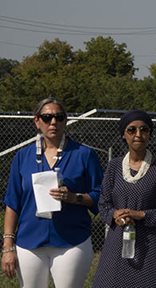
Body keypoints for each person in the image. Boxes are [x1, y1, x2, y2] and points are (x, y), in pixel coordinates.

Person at [1, 97, 103, 287]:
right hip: (29, 242)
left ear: (66, 120)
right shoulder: (22, 157)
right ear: (37, 121)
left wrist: (75, 197)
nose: (53, 122)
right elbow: (12, 202)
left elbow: (101, 196)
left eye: (59, 117)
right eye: (47, 117)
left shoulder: (84, 154)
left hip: (72, 242)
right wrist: (8, 246)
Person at [93, 109, 156, 288]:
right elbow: (103, 203)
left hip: (151, 247)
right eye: (131, 130)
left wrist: (141, 215)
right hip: (117, 245)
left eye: (144, 129)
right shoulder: (114, 166)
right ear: (124, 135)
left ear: (150, 134)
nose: (138, 134)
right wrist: (115, 214)